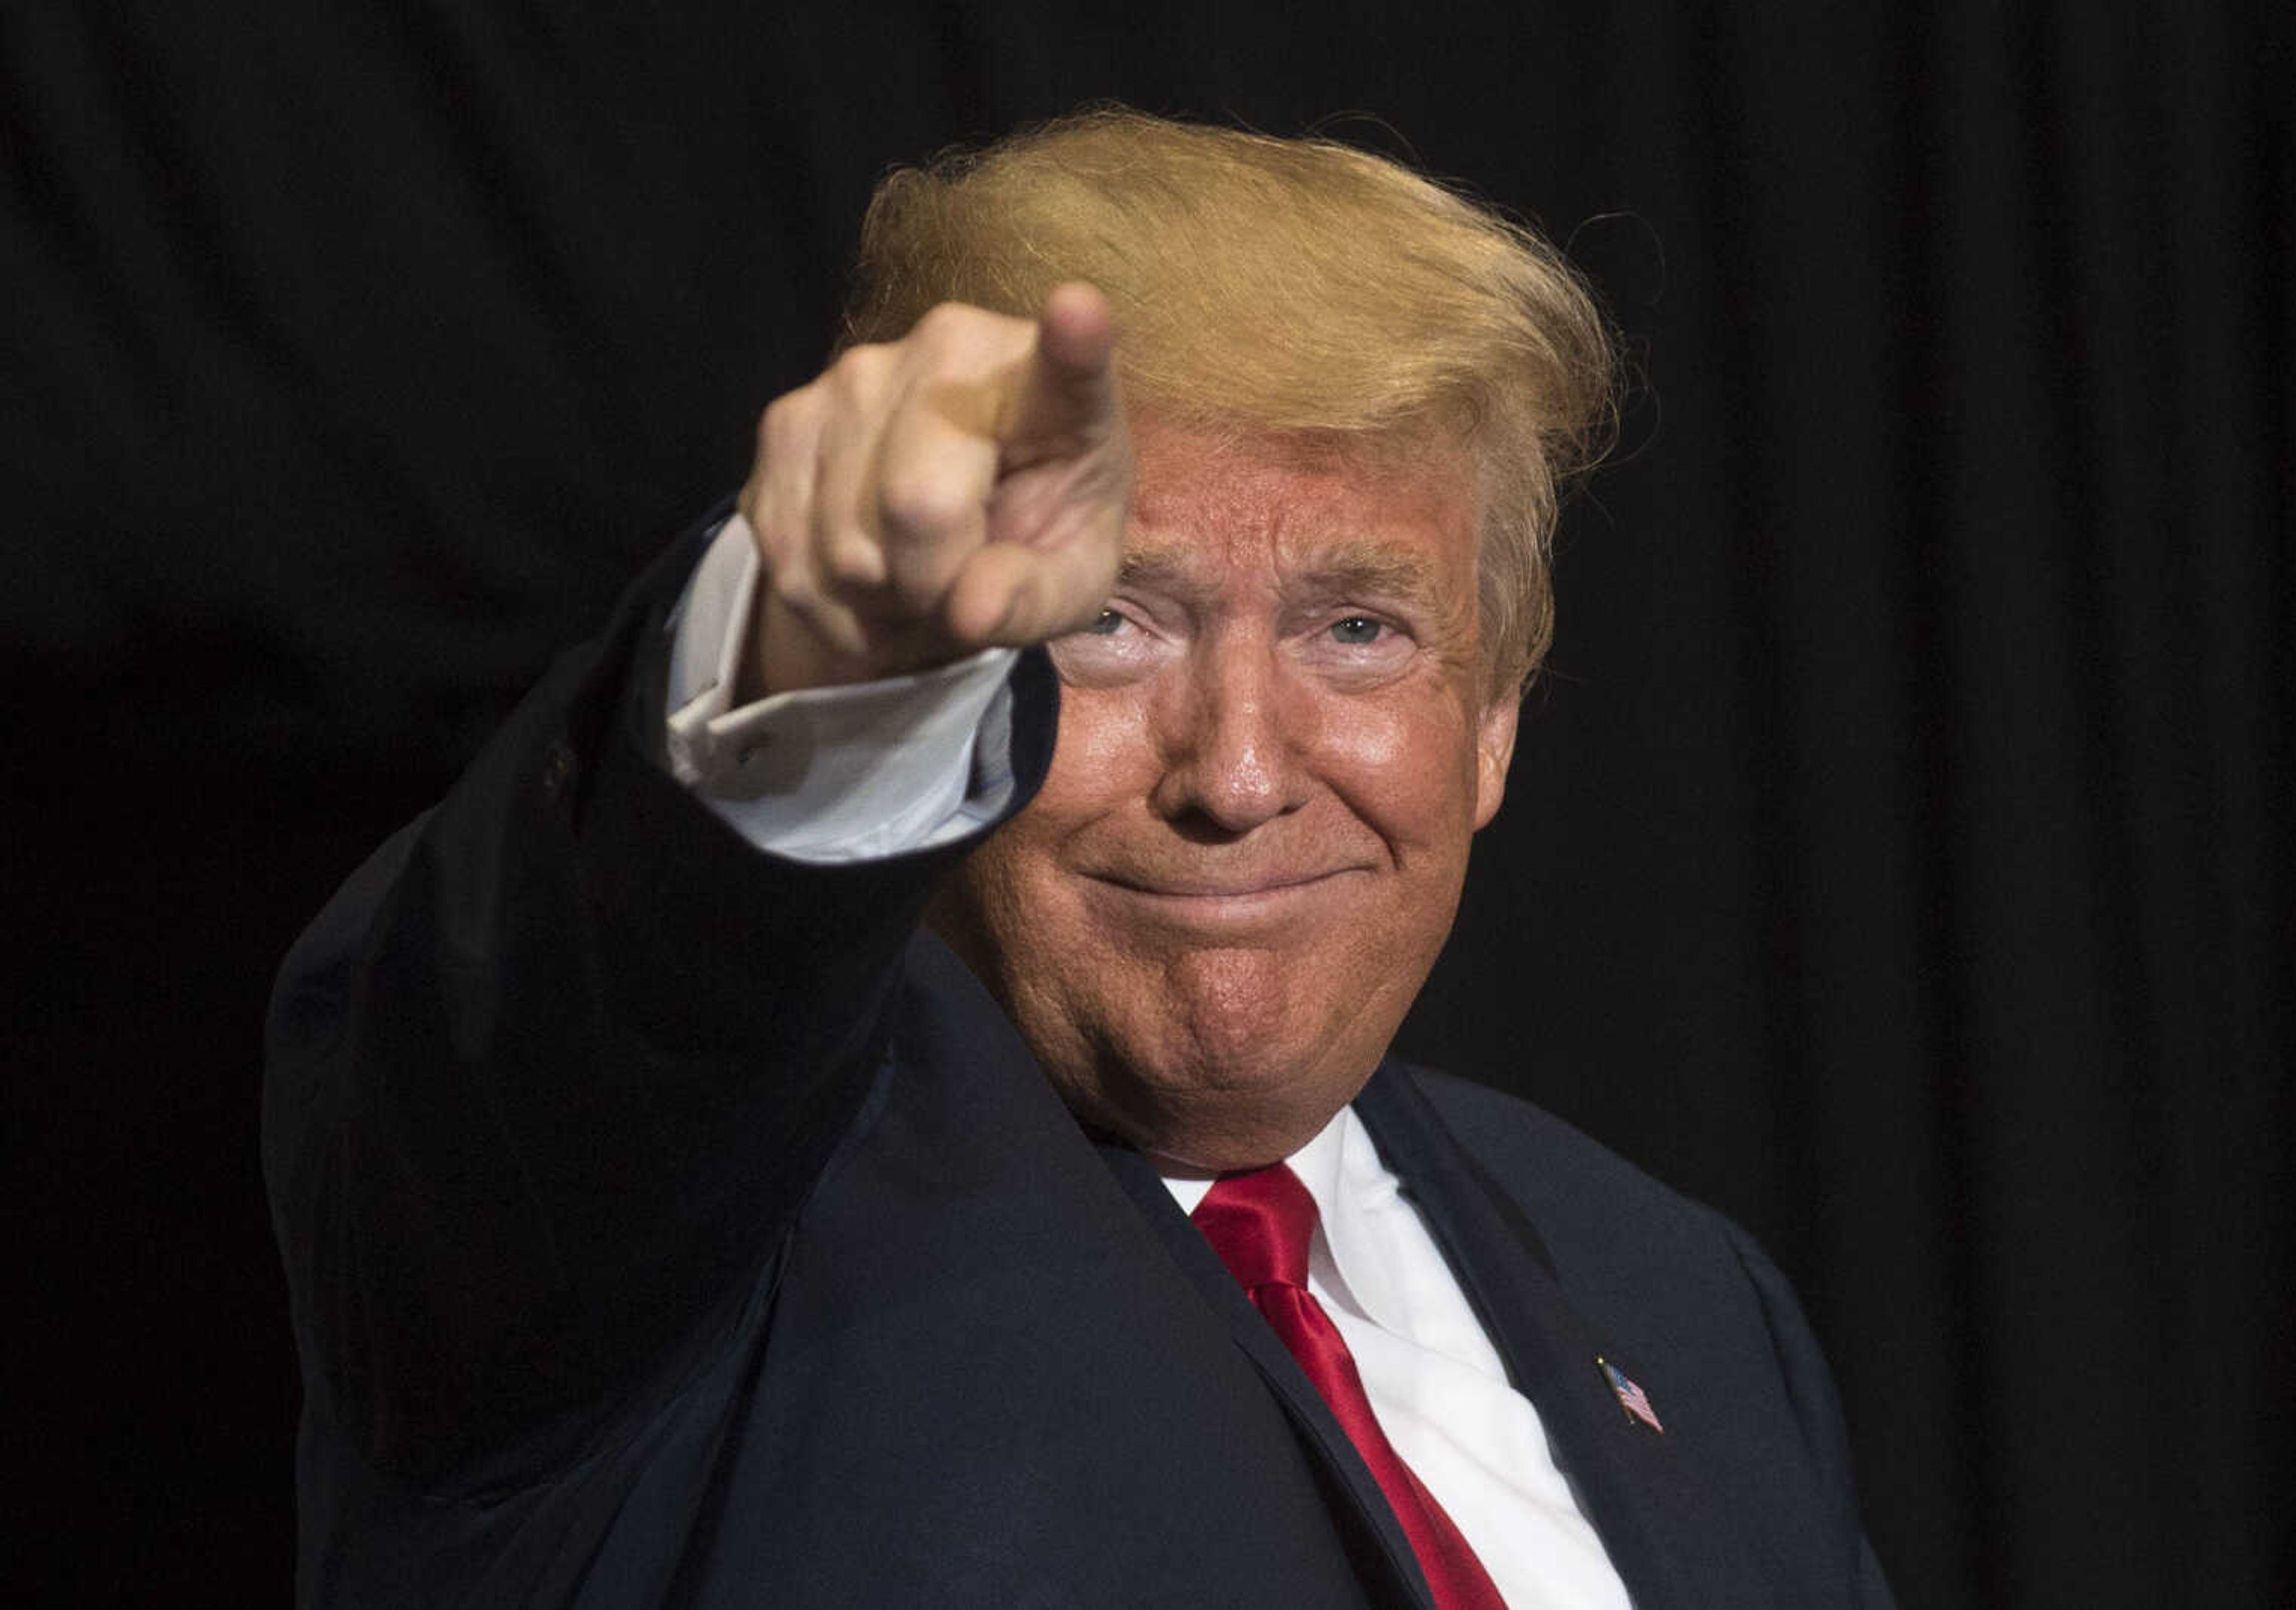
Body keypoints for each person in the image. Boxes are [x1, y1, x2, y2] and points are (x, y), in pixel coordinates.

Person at [266, 109, 1894, 1608]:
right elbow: (603, 992)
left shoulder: (1688, 1305)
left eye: (1358, 626)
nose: (1241, 772)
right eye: (1112, 621)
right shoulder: (663, 1205)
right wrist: (808, 668)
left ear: (1494, 724)